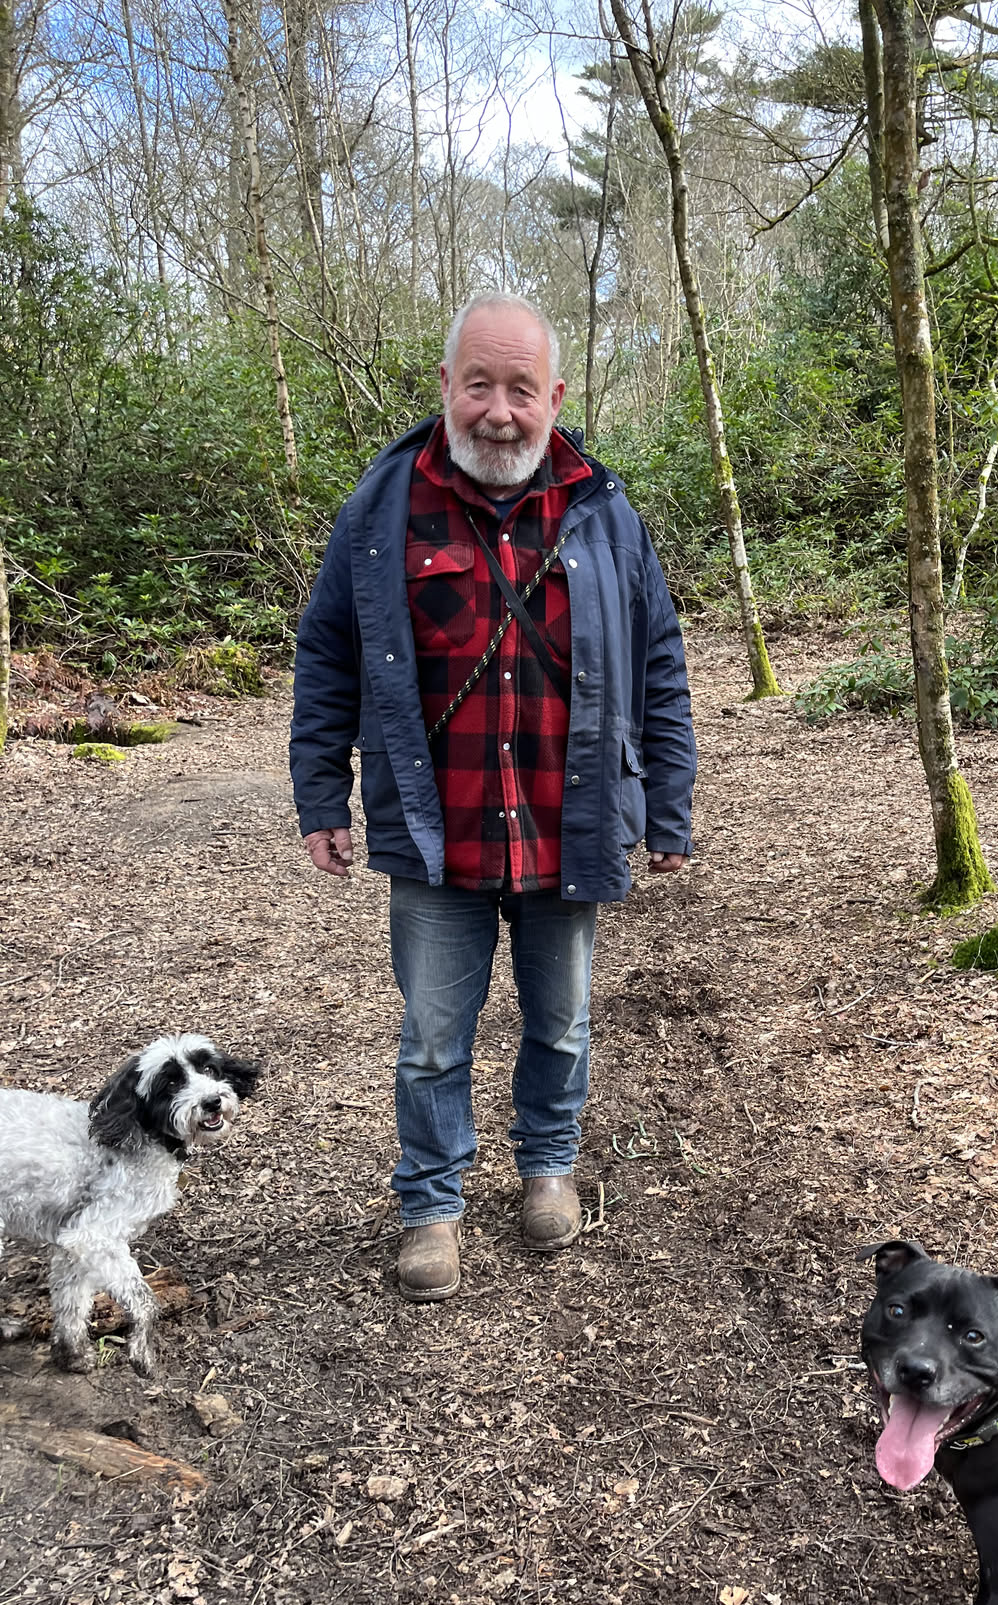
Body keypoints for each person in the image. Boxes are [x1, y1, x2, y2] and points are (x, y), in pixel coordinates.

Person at [289, 292, 696, 1300]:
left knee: (561, 1022)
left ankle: (546, 1166)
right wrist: (319, 795)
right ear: (445, 387)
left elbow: (659, 661)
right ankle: (431, 1205)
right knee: (432, 1038)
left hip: (573, 825)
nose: (499, 411)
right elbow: (327, 654)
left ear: (555, 396)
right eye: (480, 385)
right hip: (438, 835)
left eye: (521, 389)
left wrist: (672, 806)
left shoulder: (604, 510)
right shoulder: (381, 511)